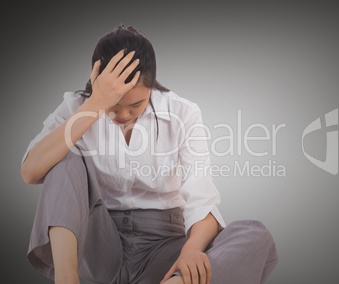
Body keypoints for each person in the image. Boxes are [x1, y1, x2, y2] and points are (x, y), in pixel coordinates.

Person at [20, 24, 278, 284]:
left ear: (152, 86)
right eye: (114, 104)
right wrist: (96, 104)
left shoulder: (182, 113)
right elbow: (31, 171)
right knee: (62, 156)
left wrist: (191, 251)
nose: (123, 115)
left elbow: (202, 201)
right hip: (99, 244)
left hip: (164, 252)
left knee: (255, 235)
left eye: (135, 104)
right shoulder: (79, 107)